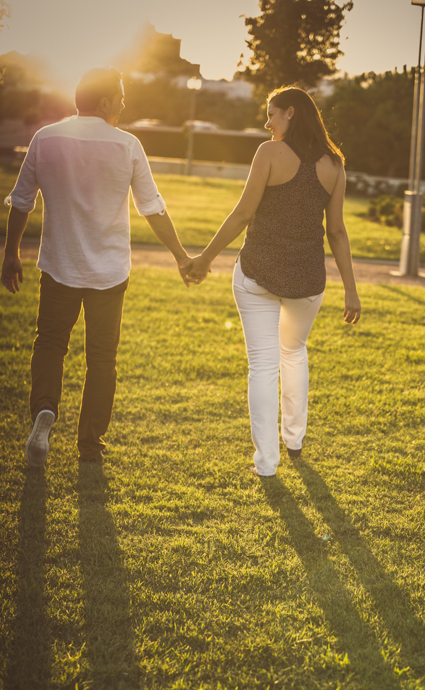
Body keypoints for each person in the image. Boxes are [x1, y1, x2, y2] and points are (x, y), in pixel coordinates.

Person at [1, 66, 196, 466]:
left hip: (59, 267)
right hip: (109, 274)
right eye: (120, 98)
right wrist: (180, 254)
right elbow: (152, 209)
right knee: (102, 359)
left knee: (50, 345)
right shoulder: (127, 145)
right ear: (105, 102)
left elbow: (22, 200)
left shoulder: (45, 138)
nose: (123, 105)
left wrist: (10, 254)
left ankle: (44, 410)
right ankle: (90, 445)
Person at [184, 86, 361, 477]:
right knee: (293, 353)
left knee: (263, 366)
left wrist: (205, 258)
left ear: (291, 113)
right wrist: (351, 289)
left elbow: (243, 212)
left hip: (257, 274)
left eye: (272, 114)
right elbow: (337, 232)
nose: (267, 123)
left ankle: (266, 464)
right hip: (307, 281)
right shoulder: (335, 165)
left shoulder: (268, 153)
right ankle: (294, 440)